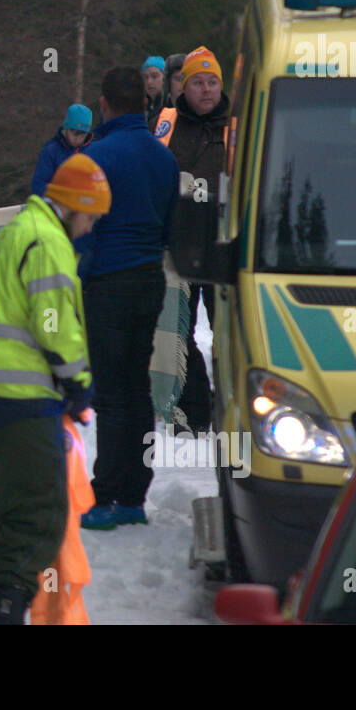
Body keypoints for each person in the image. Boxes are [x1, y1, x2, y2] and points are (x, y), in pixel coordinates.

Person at [0, 153, 109, 624]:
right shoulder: (47, 241)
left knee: (1, 517)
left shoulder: (12, 234)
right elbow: (54, 324)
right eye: (91, 218)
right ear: (73, 207)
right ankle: (8, 614)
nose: (89, 229)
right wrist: (79, 382)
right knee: (38, 515)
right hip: (16, 403)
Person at [78, 65, 180, 529]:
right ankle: (135, 496)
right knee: (137, 388)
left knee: (112, 395)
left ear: (104, 103)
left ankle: (103, 498)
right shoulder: (164, 159)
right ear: (144, 102)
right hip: (149, 280)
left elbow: (81, 232)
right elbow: (172, 227)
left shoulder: (95, 157)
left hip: (107, 284)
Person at [153, 45, 230, 434]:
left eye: (212, 82)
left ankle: (233, 405)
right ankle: (194, 409)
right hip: (178, 243)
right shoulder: (166, 122)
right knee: (178, 330)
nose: (205, 90)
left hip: (221, 245)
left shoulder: (237, 126)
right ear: (182, 87)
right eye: (197, 82)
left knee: (228, 330)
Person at [30, 103, 92, 197]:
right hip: (58, 206)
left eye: (83, 135)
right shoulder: (51, 151)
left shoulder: (92, 151)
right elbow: (39, 185)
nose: (78, 139)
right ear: (66, 129)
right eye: (75, 134)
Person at [142, 56, 169, 129]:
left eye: (154, 76)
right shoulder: (142, 109)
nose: (149, 82)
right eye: (146, 77)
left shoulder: (171, 108)